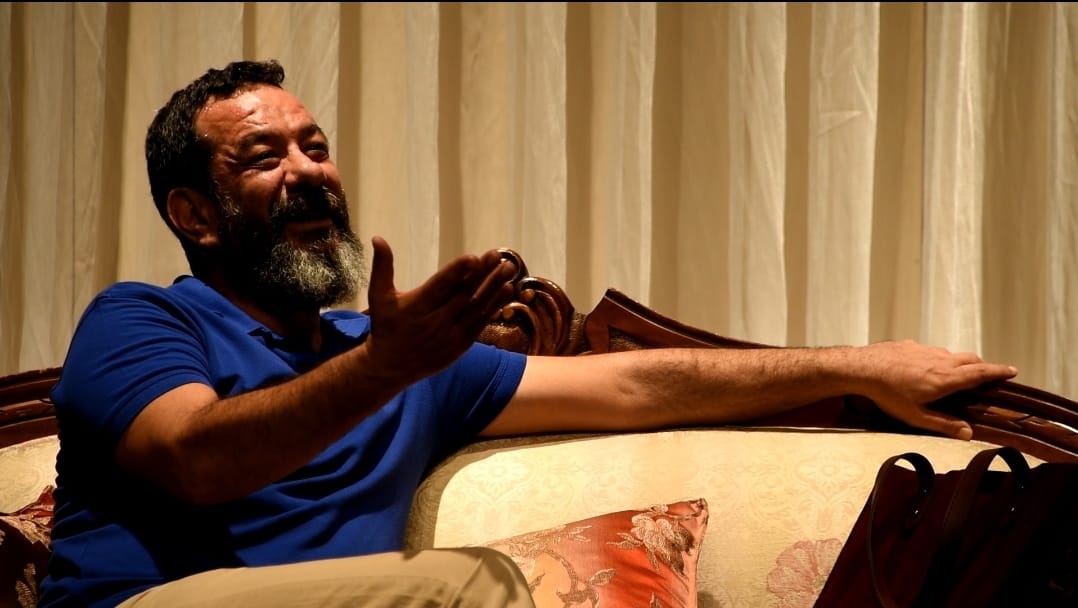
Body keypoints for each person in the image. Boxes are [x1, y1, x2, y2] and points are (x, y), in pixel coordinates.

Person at [38, 59, 1018, 608]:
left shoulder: (401, 358)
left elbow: (635, 384)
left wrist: (863, 364)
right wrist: (383, 368)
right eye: (263, 156)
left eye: (316, 146)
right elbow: (199, 460)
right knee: (469, 586)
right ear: (195, 214)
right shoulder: (144, 318)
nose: (308, 171)